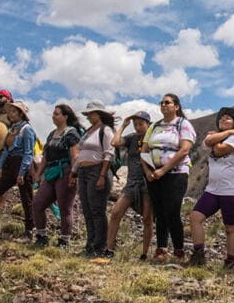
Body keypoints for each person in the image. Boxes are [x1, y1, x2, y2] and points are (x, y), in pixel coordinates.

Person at [188, 107, 234, 270]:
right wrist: (227, 133)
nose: (223, 119)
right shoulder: (222, 135)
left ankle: (229, 263)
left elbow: (219, 149)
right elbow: (207, 143)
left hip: (232, 189)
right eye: (221, 117)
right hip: (213, 189)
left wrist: (223, 136)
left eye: (228, 118)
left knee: (230, 228)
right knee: (195, 217)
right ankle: (199, 254)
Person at [141, 93, 197, 263]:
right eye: (162, 103)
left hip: (176, 173)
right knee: (159, 211)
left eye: (168, 102)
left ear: (177, 106)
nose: (164, 105)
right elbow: (144, 150)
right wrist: (148, 171)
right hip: (154, 173)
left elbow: (184, 150)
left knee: (172, 210)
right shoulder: (154, 127)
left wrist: (164, 169)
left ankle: (179, 250)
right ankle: (161, 249)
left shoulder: (183, 124)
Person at [103, 111, 154, 260]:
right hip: (131, 183)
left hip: (147, 183)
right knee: (116, 212)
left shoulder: (153, 139)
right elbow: (114, 142)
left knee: (147, 218)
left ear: (148, 124)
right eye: (135, 124)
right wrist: (123, 126)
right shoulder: (132, 138)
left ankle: (145, 253)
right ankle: (109, 248)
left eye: (141, 124)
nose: (138, 127)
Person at [32, 104, 83, 248]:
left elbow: (75, 155)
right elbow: (45, 157)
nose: (54, 116)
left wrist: (74, 174)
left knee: (64, 207)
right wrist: (38, 174)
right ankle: (41, 236)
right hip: (51, 172)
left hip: (65, 171)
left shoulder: (71, 133)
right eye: (53, 114)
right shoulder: (51, 134)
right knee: (38, 204)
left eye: (57, 114)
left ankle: (64, 240)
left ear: (65, 116)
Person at [0, 101, 37, 237]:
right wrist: (0, 167)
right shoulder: (12, 129)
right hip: (9, 165)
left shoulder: (27, 129)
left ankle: (30, 231)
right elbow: (5, 150)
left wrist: (22, 172)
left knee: (27, 199)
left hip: (23, 166)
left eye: (13, 111)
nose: (10, 114)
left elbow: (28, 152)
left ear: (21, 113)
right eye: (10, 111)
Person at [74, 100, 116, 257]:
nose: (89, 116)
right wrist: (74, 172)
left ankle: (99, 245)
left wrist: (102, 175)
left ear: (99, 114)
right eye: (88, 114)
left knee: (97, 209)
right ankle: (90, 243)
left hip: (97, 170)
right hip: (83, 171)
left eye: (92, 113)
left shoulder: (105, 131)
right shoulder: (88, 132)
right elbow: (80, 154)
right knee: (87, 209)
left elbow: (109, 153)